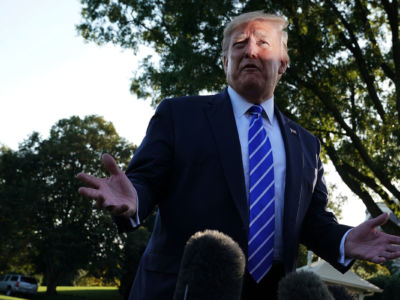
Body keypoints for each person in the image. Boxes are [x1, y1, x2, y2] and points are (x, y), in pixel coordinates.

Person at [77, 11, 400, 300]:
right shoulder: (179, 115)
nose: (249, 51)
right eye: (239, 44)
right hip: (184, 288)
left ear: (283, 63)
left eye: (263, 43)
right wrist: (133, 196)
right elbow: (145, 181)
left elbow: (312, 221)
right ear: (225, 62)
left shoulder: (306, 145)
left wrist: (344, 241)